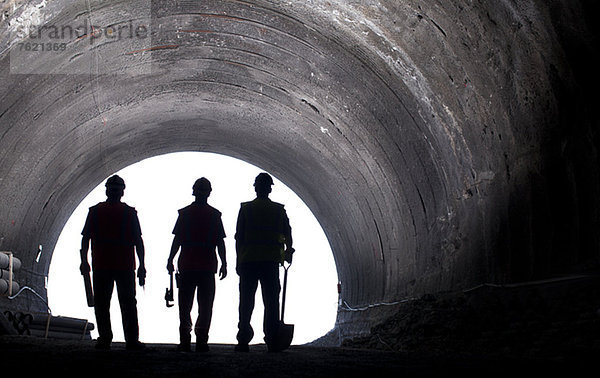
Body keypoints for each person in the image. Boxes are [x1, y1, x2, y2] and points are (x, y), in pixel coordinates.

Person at [80, 175, 146, 350]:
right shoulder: (129, 213)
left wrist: (84, 261)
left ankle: (105, 339)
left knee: (104, 303)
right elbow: (138, 241)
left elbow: (86, 238)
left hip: (103, 265)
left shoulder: (95, 211)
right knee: (127, 303)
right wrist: (141, 265)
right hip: (122, 265)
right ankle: (130, 341)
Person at [234, 173, 294, 352]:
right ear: (269, 188)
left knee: (246, 302)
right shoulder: (278, 210)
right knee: (271, 302)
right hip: (270, 262)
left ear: (255, 187)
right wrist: (288, 252)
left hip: (249, 261)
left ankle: (243, 340)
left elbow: (239, 237)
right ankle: (272, 339)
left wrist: (238, 260)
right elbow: (288, 234)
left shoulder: (246, 209)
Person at [167, 177, 227, 352]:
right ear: (209, 193)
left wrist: (170, 259)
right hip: (206, 265)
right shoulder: (215, 215)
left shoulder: (185, 213)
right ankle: (201, 340)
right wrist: (224, 263)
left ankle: (185, 341)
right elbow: (220, 242)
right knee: (205, 305)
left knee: (186, 305)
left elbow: (177, 239)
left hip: (188, 264)